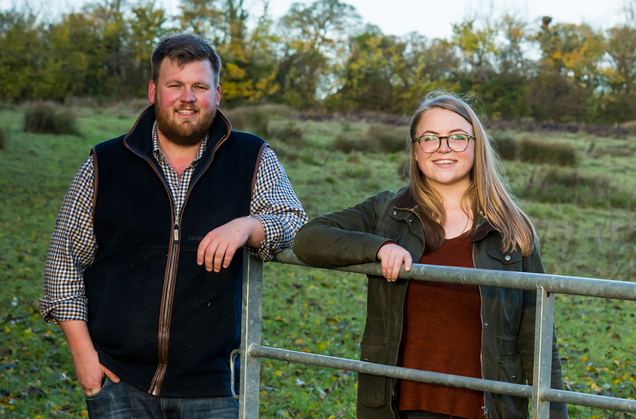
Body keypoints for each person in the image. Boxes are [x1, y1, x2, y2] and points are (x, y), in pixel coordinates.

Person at [40, 33, 307, 418]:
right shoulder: (105, 163)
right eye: (175, 86)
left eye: (200, 86)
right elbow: (63, 263)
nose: (187, 98)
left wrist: (249, 226)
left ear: (217, 94)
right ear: (153, 91)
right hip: (119, 380)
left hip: (213, 385)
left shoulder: (252, 156)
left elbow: (295, 223)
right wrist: (84, 357)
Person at [293, 92, 567, 419]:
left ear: (476, 146)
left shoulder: (511, 229)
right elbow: (308, 238)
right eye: (430, 138)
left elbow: (537, 340)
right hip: (399, 408)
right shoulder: (387, 213)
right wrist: (379, 247)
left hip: (487, 410)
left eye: (457, 137)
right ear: (415, 150)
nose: (443, 148)